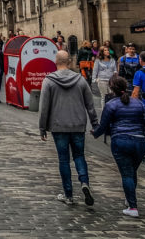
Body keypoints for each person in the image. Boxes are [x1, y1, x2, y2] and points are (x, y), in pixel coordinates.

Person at [38, 50, 98, 206]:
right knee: (79, 156)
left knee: (64, 160)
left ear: (55, 62)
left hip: (58, 126)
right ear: (70, 62)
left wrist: (42, 127)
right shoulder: (80, 80)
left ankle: (68, 194)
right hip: (78, 125)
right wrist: (96, 124)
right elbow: (90, 105)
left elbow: (44, 107)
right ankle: (84, 182)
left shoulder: (49, 81)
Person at [92, 76, 145, 218]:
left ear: (112, 89)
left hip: (121, 140)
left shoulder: (111, 105)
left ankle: (133, 206)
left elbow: (103, 125)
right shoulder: (138, 103)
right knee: (132, 171)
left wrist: (95, 133)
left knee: (126, 174)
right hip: (139, 141)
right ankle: (129, 198)